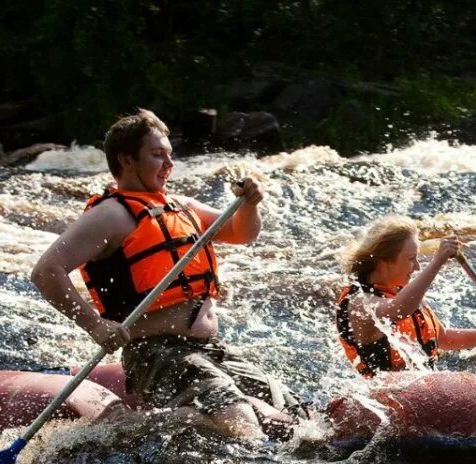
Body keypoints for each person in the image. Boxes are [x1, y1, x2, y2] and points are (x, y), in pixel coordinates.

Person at [31, 109, 299, 439]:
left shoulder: (181, 207)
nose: (169, 165)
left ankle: (175, 423)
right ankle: (136, 431)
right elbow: (46, 272)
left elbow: (243, 234)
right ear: (126, 160)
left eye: (170, 155)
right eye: (158, 155)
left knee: (293, 414)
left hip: (207, 349)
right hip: (156, 352)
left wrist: (249, 205)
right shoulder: (110, 215)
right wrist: (95, 324)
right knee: (239, 419)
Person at [335, 216, 476, 377]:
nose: (417, 267)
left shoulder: (401, 291)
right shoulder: (359, 302)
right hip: (384, 400)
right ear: (385, 262)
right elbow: (397, 310)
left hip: (422, 390)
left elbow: (444, 339)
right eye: (411, 259)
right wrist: (437, 261)